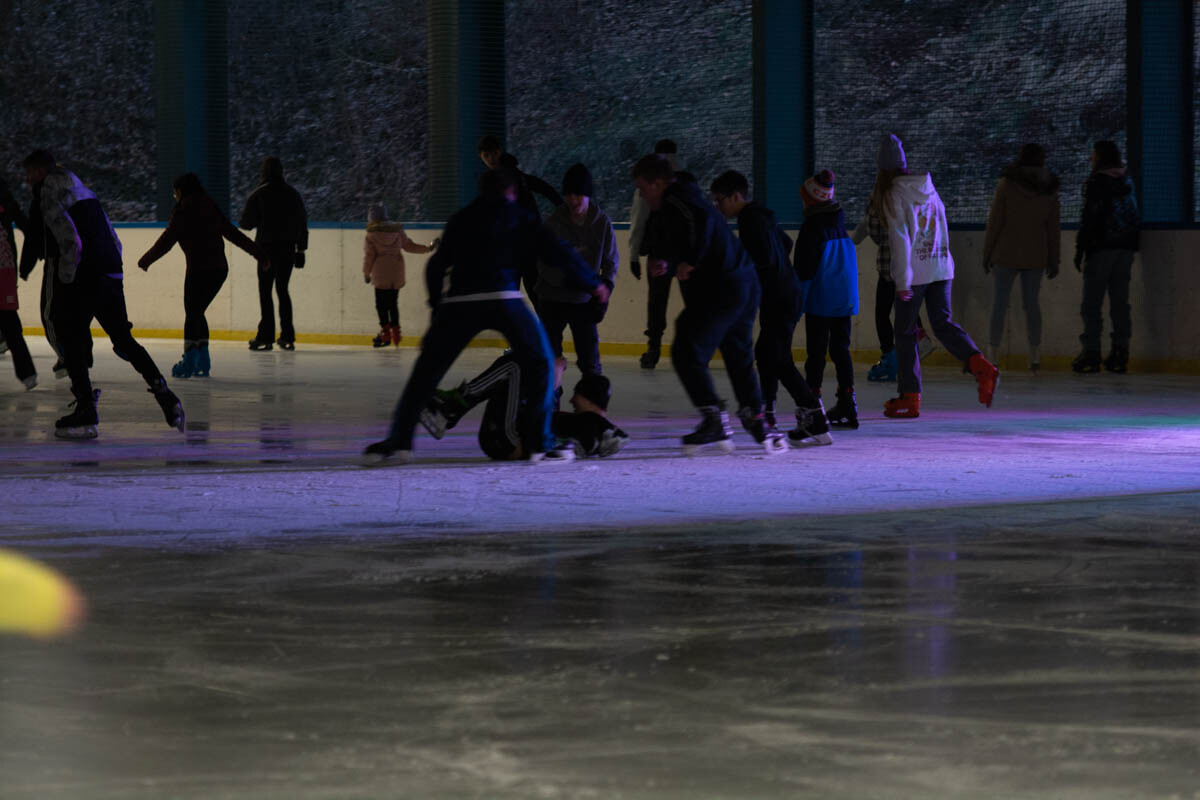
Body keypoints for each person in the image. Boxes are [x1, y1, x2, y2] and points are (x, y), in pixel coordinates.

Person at [362, 167, 610, 465]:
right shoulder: (518, 216)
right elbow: (558, 252)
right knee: (543, 364)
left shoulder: (462, 218)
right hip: (504, 298)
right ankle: (538, 443)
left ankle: (398, 443)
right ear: (511, 192)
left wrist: (437, 309)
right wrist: (592, 283)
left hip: (460, 301)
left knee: (425, 373)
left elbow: (436, 267)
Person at [23, 150, 184, 439]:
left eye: (30, 174)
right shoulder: (86, 192)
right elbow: (114, 239)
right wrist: (112, 272)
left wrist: (66, 280)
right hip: (110, 272)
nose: (27, 180)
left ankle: (86, 410)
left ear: (40, 172)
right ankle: (166, 395)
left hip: (83, 275)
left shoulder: (48, 192)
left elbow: (70, 240)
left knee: (70, 338)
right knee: (123, 340)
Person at [634, 154, 784, 454]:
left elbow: (698, 226)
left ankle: (714, 419)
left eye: (643, 188)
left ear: (658, 183)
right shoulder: (681, 201)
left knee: (686, 349)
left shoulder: (677, 200)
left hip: (724, 286)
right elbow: (685, 235)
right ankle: (757, 419)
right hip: (743, 282)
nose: (641, 195)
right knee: (737, 353)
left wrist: (690, 260)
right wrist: (667, 261)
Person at [870, 135, 998, 419]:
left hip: (916, 273)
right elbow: (941, 227)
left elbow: (900, 240)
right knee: (943, 323)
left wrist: (902, 280)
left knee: (904, 332)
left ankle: (910, 397)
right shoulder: (928, 188)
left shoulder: (893, 194)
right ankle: (980, 366)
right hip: (941, 267)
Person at [711, 169, 831, 443]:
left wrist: (742, 276)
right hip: (785, 293)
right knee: (767, 354)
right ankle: (769, 413)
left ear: (735, 196)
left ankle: (815, 418)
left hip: (779, 297)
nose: (717, 206)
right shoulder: (762, 215)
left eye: (720, 200)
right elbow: (785, 243)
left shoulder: (750, 219)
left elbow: (762, 259)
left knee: (778, 358)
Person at [137, 173, 267, 378]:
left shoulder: (183, 210)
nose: (175, 196)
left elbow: (167, 240)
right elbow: (233, 234)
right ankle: (203, 360)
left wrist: (146, 260)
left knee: (193, 313)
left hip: (198, 270)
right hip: (219, 270)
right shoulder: (209, 205)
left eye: (175, 193)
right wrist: (259, 254)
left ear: (181, 191)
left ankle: (190, 361)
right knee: (197, 312)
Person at [418, 354, 630, 460]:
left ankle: (450, 410)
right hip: (505, 438)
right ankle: (452, 408)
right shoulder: (584, 424)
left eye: (577, 395)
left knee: (513, 365)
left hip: (509, 440)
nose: (572, 400)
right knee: (513, 366)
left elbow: (607, 439)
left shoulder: (591, 423)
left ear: (590, 399)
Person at [982, 144, 1061, 372]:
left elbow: (995, 221)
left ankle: (992, 356)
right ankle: (1034, 357)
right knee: (1032, 306)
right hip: (1036, 255)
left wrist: (987, 252)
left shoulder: (1007, 184)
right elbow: (1053, 229)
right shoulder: (1049, 189)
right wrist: (1054, 259)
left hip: (1005, 252)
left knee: (999, 305)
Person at [536, 163, 617, 382]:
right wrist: (570, 281)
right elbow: (544, 265)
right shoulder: (553, 224)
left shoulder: (602, 223)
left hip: (584, 302)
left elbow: (610, 262)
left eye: (578, 195)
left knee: (589, 359)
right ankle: (551, 396)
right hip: (552, 299)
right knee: (550, 358)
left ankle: (591, 394)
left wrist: (606, 286)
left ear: (588, 195)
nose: (573, 201)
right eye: (568, 195)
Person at [852, 169, 935, 384]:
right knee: (906, 308)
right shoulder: (912, 192)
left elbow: (871, 227)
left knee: (882, 313)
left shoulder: (880, 197)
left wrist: (852, 241)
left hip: (890, 266)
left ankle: (890, 357)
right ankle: (916, 344)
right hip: (912, 264)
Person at [794, 170, 859, 432]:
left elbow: (805, 273)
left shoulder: (812, 227)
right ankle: (848, 402)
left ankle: (813, 406)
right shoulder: (839, 222)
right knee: (841, 350)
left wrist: (796, 306)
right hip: (844, 298)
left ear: (811, 199)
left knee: (816, 354)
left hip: (821, 299)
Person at [1072, 140, 1139, 374]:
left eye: (1093, 154)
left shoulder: (1096, 182)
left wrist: (1080, 249)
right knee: (1120, 303)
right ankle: (1120, 352)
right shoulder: (1127, 180)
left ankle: (1091, 353)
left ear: (1099, 157)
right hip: (1125, 247)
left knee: (1092, 304)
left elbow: (1089, 218)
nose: (1091, 158)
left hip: (1101, 247)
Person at [477, 136, 562, 305]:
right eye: (486, 155)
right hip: (520, 243)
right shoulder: (515, 174)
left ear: (499, 152)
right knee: (530, 290)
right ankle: (545, 322)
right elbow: (543, 187)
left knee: (518, 292)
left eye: (493, 153)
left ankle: (543, 321)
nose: (490, 159)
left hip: (519, 244)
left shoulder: (511, 176)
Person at [239, 156, 308, 351]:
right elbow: (302, 223)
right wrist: (301, 250)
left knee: (265, 292)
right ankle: (287, 336)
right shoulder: (293, 194)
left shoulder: (259, 193)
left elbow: (246, 223)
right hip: (287, 250)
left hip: (266, 251)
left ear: (263, 171)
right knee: (283, 290)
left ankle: (266, 336)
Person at [629, 139, 682, 369]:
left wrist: (634, 255)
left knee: (657, 302)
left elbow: (639, 220)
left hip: (658, 251)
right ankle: (702, 346)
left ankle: (653, 349)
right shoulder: (686, 182)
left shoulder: (651, 181)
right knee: (693, 300)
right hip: (683, 253)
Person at [362, 203, 436, 347]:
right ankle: (396, 333)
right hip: (396, 271)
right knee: (393, 303)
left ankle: (385, 333)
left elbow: (369, 256)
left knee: (380, 304)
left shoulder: (371, 234)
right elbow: (410, 246)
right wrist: (428, 248)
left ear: (372, 218)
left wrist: (366, 273)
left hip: (380, 272)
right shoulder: (397, 230)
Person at [15, 175, 66, 378]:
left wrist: (25, 267)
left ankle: (67, 358)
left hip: (57, 260)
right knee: (73, 313)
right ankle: (77, 357)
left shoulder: (43, 199)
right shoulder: (74, 194)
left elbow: (33, 234)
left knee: (49, 314)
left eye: (29, 173)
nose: (27, 179)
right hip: (79, 261)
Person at [0, 180, 36, 390]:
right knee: (10, 322)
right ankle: (27, 373)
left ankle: (27, 372)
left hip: (4, 272)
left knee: (10, 322)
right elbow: (28, 228)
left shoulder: (7, 203)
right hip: (6, 272)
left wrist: (26, 265)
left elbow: (29, 228)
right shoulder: (8, 202)